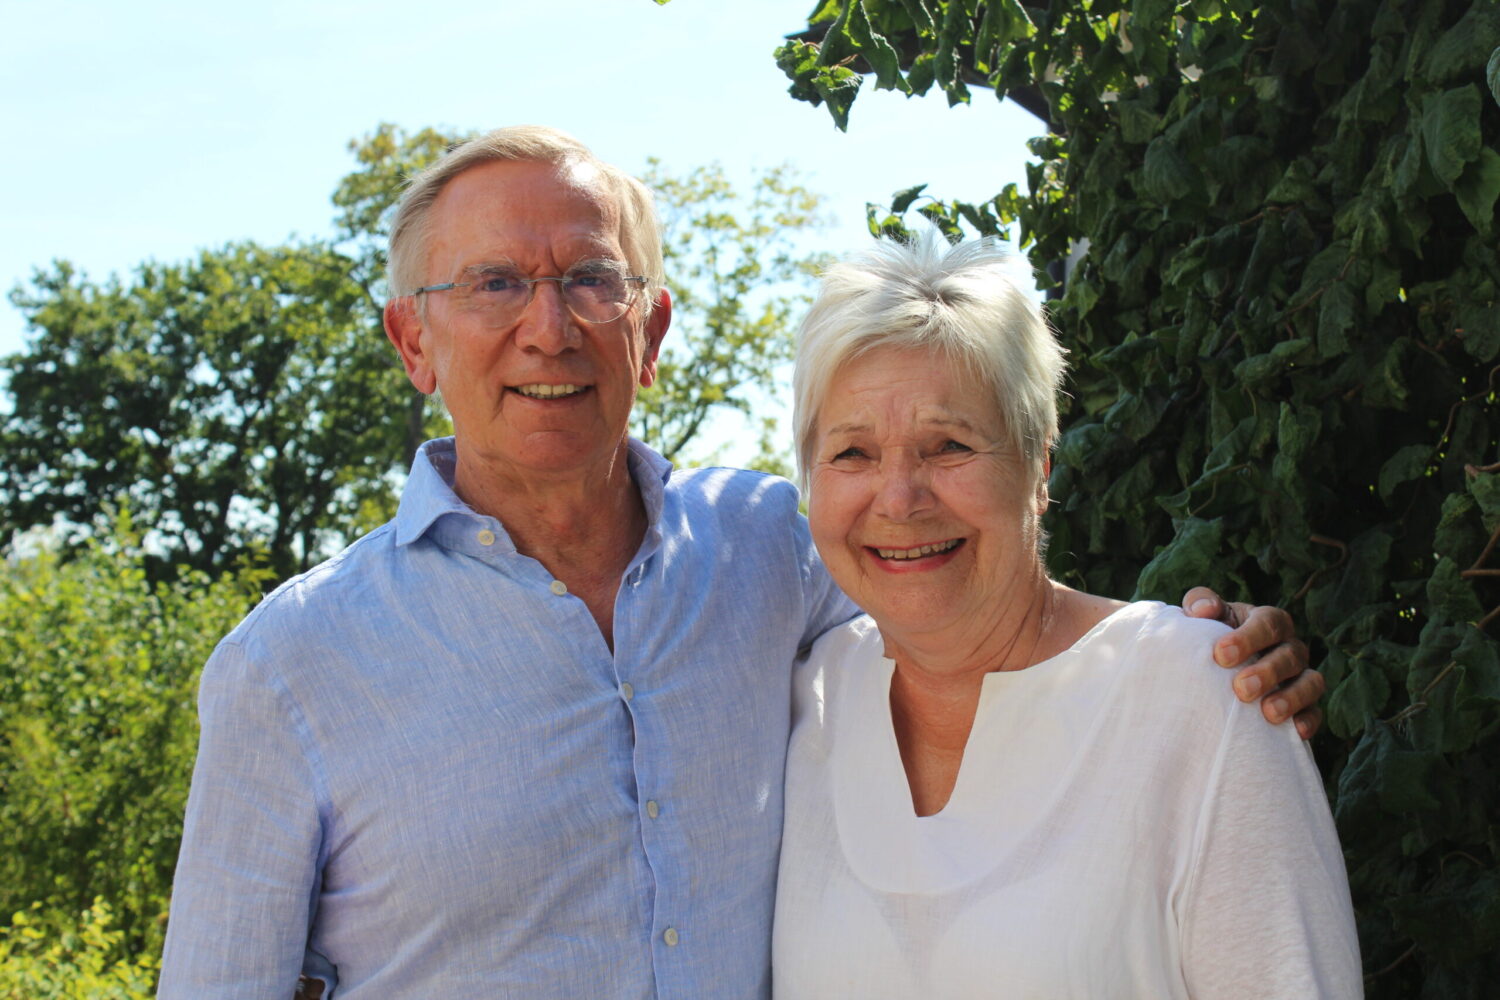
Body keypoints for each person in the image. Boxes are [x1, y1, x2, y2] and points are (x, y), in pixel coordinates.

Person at [156, 127, 1324, 1000]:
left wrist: (1199, 665)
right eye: (495, 283)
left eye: (589, 280)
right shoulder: (291, 670)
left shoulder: (779, 547)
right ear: (415, 340)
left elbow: (972, 602)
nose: (549, 326)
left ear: (651, 333)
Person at [772, 237, 1361, 998]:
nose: (898, 497)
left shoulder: (1203, 699)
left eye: (948, 444)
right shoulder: (800, 705)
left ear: (1038, 466)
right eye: (852, 453)